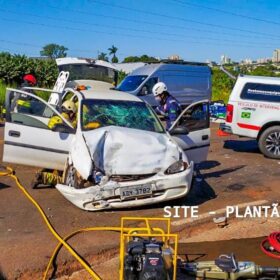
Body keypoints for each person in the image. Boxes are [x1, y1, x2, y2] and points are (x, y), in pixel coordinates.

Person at [31, 100, 77, 189]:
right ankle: (43, 177)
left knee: (51, 165)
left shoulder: (54, 118)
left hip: (49, 149)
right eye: (73, 114)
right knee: (65, 181)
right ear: (70, 112)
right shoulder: (67, 122)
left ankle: (42, 172)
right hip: (62, 151)